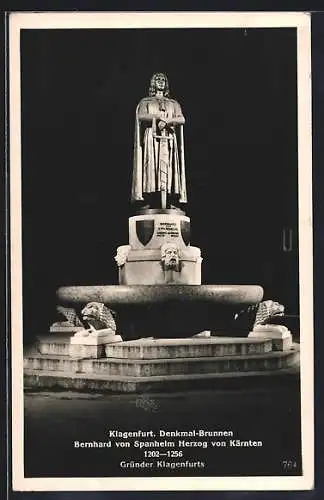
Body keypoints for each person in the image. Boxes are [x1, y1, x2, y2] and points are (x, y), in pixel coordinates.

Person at [131, 73, 187, 208]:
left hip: (168, 137)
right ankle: (152, 201)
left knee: (169, 167)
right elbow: (141, 116)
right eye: (158, 79)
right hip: (152, 136)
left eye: (163, 80)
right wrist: (157, 117)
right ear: (153, 83)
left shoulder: (173, 103)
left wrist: (168, 120)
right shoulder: (146, 101)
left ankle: (169, 201)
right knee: (152, 166)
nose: (160, 82)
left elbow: (182, 119)